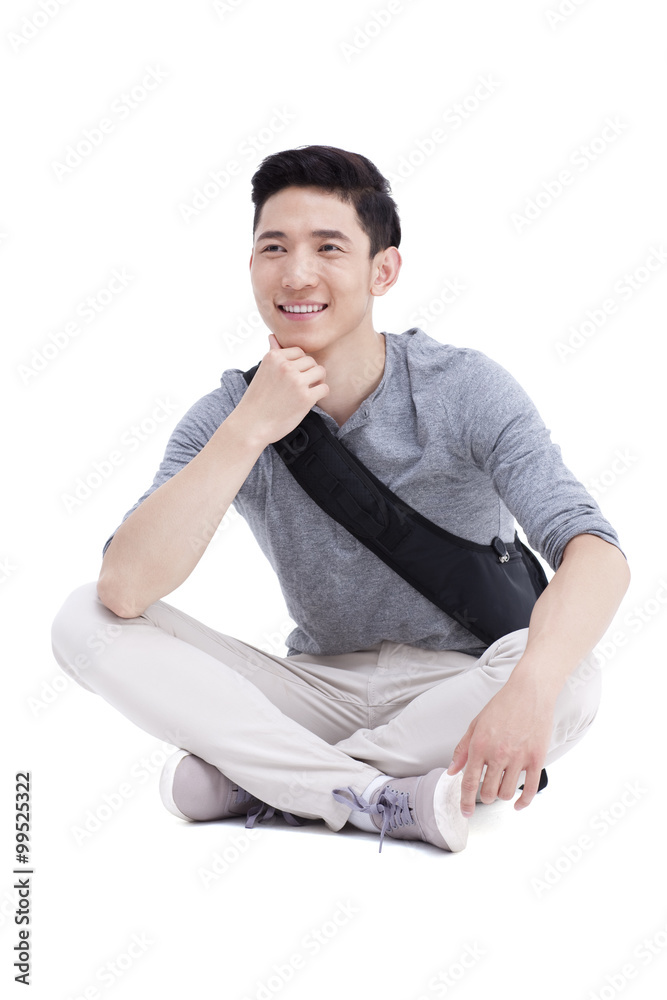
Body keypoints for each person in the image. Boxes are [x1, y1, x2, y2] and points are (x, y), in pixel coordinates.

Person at [51, 145, 630, 853]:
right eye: (274, 248)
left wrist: (532, 687)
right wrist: (249, 430)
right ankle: (374, 795)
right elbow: (125, 585)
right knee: (83, 617)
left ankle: (267, 781)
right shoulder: (230, 413)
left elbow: (594, 552)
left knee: (573, 677)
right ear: (253, 266)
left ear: (381, 269)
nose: (297, 274)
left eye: (328, 247)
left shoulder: (462, 388)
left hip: (459, 686)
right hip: (312, 689)